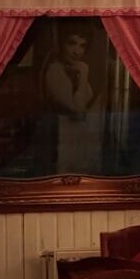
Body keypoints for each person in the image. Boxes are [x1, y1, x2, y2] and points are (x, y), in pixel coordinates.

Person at [42, 21, 101, 173]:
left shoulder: (76, 69)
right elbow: (78, 110)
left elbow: (88, 104)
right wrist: (84, 75)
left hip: (80, 140)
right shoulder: (54, 71)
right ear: (61, 44)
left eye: (82, 46)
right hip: (62, 141)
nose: (77, 51)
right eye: (72, 43)